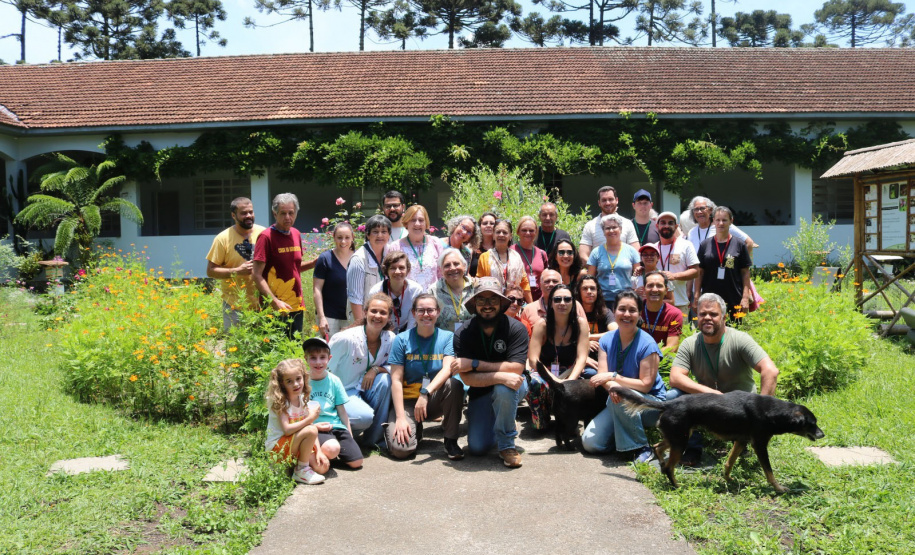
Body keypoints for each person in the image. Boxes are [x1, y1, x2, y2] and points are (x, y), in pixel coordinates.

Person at [668, 292, 779, 465]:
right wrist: (711, 393)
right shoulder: (690, 344)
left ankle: (745, 441)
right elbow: (675, 377)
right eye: (703, 314)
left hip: (741, 410)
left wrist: (761, 415)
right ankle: (692, 448)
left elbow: (770, 371)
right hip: (710, 406)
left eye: (713, 314)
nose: (707, 318)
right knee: (674, 396)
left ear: (724, 317)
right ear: (697, 317)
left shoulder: (740, 339)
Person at [451, 277, 530, 468]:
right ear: (474, 304)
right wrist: (501, 375)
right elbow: (467, 378)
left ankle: (507, 444)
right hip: (480, 391)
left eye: (493, 299)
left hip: (514, 385)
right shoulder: (463, 332)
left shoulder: (516, 328)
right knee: (477, 448)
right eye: (481, 300)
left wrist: (474, 363)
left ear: (501, 302)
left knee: (504, 389)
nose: (487, 305)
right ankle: (499, 417)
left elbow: (516, 368)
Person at [581, 289, 666, 463]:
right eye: (622, 309)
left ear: (639, 314)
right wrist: (613, 385)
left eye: (632, 310)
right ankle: (623, 439)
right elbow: (602, 376)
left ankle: (642, 447)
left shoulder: (648, 344)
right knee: (591, 444)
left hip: (650, 404)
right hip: (618, 401)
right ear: (614, 311)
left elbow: (645, 385)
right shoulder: (606, 340)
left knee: (623, 395)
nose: (626, 314)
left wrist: (614, 379)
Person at [385, 294, 465, 460]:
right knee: (401, 450)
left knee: (454, 384)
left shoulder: (447, 337)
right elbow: (396, 380)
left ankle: (450, 439)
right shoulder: (401, 339)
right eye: (421, 310)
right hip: (408, 401)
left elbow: (447, 369)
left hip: (433, 398)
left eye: (430, 310)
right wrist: (400, 417)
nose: (426, 314)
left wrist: (425, 393)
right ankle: (415, 428)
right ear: (413, 313)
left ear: (438, 312)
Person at [328, 292, 396, 448]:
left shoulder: (390, 338)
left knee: (385, 380)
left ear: (389, 317)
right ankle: (333, 431)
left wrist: (377, 369)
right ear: (365, 312)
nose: (377, 316)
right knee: (364, 417)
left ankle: (373, 440)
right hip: (343, 392)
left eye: (383, 312)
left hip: (365, 388)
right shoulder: (345, 339)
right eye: (374, 311)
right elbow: (324, 369)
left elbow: (396, 366)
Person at [526, 284, 591, 429]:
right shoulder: (542, 324)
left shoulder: (580, 323)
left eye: (567, 299)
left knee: (591, 379)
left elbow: (582, 358)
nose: (562, 303)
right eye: (557, 299)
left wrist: (570, 381)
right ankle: (542, 417)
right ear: (551, 303)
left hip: (570, 371)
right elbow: (533, 360)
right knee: (534, 383)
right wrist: (554, 380)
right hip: (545, 372)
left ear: (573, 302)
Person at [253, 193, 313, 339]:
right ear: (275, 214)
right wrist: (274, 302)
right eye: (283, 213)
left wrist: (314, 263)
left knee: (295, 346)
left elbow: (293, 268)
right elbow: (256, 274)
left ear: (296, 213)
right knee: (275, 348)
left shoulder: (296, 234)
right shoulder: (266, 237)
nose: (287, 217)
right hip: (274, 308)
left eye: (291, 213)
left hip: (296, 304)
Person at [303, 337, 364, 470]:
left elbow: (342, 411)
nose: (318, 362)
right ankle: (324, 454)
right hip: (317, 428)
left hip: (336, 426)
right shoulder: (303, 383)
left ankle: (331, 457)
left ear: (329, 358)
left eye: (322, 357)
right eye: (313, 358)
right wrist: (312, 427)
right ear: (306, 359)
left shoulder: (334, 381)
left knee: (357, 462)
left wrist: (350, 435)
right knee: (332, 448)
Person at [206, 197, 266, 330]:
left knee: (265, 342)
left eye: (251, 212)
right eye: (243, 213)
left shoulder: (264, 234)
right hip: (234, 306)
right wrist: (237, 271)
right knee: (235, 342)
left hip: (263, 303)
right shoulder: (222, 239)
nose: (248, 215)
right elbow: (210, 271)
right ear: (233, 215)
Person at [264, 358, 326, 484]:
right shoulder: (280, 401)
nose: (296, 384)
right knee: (311, 429)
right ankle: (301, 470)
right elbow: (287, 430)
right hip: (278, 448)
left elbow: (310, 425)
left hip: (293, 443)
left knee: (322, 467)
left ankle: (296, 465)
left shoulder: (301, 398)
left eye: (298, 379)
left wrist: (319, 451)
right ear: (282, 384)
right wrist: (310, 418)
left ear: (304, 377)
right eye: (289, 381)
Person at [694, 206, 752, 319]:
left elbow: (745, 272)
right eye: (718, 220)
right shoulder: (705, 245)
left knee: (734, 327)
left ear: (731, 221)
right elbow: (700, 272)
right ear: (713, 221)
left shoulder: (739, 244)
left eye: (724, 220)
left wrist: (745, 297)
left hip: (733, 297)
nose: (721, 223)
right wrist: (696, 295)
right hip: (709, 297)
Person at [586, 213, 640, 310]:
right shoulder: (596, 252)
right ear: (603, 231)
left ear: (620, 229)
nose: (611, 231)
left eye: (614, 227)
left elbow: (638, 277)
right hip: (603, 301)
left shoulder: (631, 251)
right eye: (607, 228)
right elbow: (590, 279)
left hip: (626, 299)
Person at [346, 214, 391, 324]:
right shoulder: (358, 259)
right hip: (364, 318)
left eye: (384, 232)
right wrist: (362, 326)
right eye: (375, 232)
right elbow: (355, 299)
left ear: (389, 234)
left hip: (383, 316)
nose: (380, 235)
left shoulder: (390, 254)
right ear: (368, 234)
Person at [475, 219, 533, 303]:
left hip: (514, 302)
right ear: (493, 235)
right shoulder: (485, 257)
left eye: (505, 232)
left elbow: (524, 283)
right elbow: (480, 282)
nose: (501, 235)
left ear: (510, 236)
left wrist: (531, 305)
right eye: (498, 232)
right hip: (492, 302)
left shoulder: (516, 256)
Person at [313, 222, 355, 339]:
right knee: (327, 349)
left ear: (352, 237)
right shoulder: (325, 258)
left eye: (347, 237)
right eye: (339, 237)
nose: (343, 241)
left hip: (351, 317)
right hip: (329, 317)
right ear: (334, 237)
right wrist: (321, 317)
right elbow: (317, 289)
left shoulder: (358, 258)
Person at [388, 204, 443, 291]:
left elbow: (442, 274)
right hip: (408, 296)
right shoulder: (396, 246)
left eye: (421, 220)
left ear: (426, 223)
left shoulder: (435, 243)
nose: (417, 224)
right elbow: (391, 277)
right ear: (406, 223)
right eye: (413, 220)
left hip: (432, 297)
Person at [655, 211, 699, 316]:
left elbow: (696, 271)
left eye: (670, 223)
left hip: (679, 304)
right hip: (655, 304)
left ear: (676, 226)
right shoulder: (652, 248)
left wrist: (674, 276)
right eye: (663, 223)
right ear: (657, 226)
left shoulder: (686, 245)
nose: (666, 226)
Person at [579, 186, 638, 263]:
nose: (607, 203)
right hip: (598, 270)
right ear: (599, 203)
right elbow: (583, 255)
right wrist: (598, 268)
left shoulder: (627, 224)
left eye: (610, 199)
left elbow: (636, 253)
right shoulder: (590, 226)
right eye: (604, 200)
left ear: (616, 200)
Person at [368, 251, 424, 333]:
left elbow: (413, 319)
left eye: (401, 268)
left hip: (407, 330)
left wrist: (405, 338)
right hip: (382, 331)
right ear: (386, 270)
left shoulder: (416, 290)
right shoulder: (376, 291)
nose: (397, 271)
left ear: (407, 270)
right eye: (393, 268)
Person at [686, 196, 755, 258]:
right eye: (696, 209)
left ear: (710, 210)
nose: (699, 212)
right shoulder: (692, 232)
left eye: (702, 208)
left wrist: (741, 264)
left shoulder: (722, 226)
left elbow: (749, 243)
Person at [520, 268, 586, 330]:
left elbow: (585, 332)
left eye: (555, 281)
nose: (551, 284)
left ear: (562, 284)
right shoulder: (529, 309)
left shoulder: (575, 305)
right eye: (547, 281)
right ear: (540, 285)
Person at [576, 274, 617, 371]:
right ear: (579, 292)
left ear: (597, 291)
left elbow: (615, 332)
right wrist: (585, 343)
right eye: (585, 288)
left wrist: (588, 337)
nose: (589, 291)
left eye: (592, 288)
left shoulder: (605, 312)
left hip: (601, 357)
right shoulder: (573, 312)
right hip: (577, 357)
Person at [429, 249, 474, 333]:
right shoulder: (433, 291)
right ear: (441, 270)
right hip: (445, 340)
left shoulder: (476, 286)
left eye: (456, 264)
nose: (452, 268)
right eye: (447, 265)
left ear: (464, 266)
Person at [639, 271, 683, 353]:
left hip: (662, 359)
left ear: (666, 290)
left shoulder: (674, 314)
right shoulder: (636, 309)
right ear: (644, 290)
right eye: (650, 285)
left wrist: (647, 355)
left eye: (659, 286)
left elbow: (672, 348)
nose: (655, 289)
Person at [513, 216, 550, 301]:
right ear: (518, 232)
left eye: (531, 230)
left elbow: (545, 278)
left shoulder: (542, 253)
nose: (528, 233)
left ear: (536, 232)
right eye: (524, 230)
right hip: (517, 301)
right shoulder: (511, 252)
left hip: (538, 300)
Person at [470, 211, 498, 277]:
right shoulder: (472, 247)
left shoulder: (501, 248)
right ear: (480, 227)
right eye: (485, 223)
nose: (488, 225)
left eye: (492, 223)